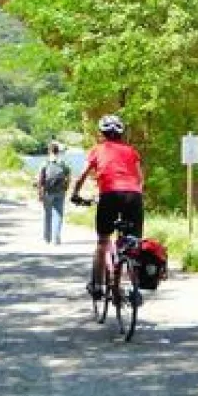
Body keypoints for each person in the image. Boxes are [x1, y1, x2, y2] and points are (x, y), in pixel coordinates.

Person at [70, 114, 143, 296]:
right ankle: (135, 289)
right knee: (133, 244)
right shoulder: (131, 151)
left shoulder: (97, 150)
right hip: (133, 196)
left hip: (109, 195)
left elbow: (81, 176)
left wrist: (75, 195)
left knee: (103, 241)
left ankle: (97, 286)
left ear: (102, 133)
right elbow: (141, 179)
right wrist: (135, 194)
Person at [36, 141, 72, 245]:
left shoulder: (45, 162)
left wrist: (40, 192)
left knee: (48, 214)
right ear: (58, 151)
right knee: (58, 214)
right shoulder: (63, 163)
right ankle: (56, 238)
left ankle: (47, 238)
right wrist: (66, 187)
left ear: (49, 151)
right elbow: (69, 176)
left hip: (47, 191)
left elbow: (40, 179)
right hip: (60, 191)